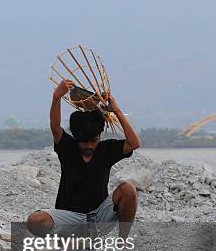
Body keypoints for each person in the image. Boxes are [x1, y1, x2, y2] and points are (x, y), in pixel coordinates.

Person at [26, 79, 141, 239]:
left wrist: (117, 112)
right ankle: (66, 242)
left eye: (93, 141)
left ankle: (123, 242)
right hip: (70, 219)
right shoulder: (67, 147)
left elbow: (134, 143)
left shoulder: (106, 150)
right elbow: (55, 127)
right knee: (34, 220)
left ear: (99, 136)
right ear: (75, 137)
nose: (88, 145)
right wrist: (56, 97)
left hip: (99, 217)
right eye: (83, 141)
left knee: (128, 189)